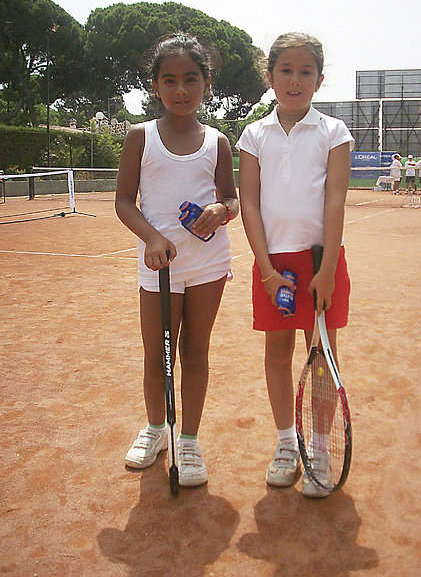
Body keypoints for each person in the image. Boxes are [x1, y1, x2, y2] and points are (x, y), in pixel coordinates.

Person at [115, 33, 239, 487]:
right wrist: (151, 237)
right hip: (158, 266)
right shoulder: (139, 137)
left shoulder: (218, 141)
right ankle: (155, 430)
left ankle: (188, 439)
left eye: (191, 79)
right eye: (170, 80)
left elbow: (231, 198)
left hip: (207, 265)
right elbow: (125, 202)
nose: (181, 90)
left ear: (207, 83)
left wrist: (220, 211)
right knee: (158, 354)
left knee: (195, 351)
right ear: (154, 86)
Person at [237, 32, 354, 497]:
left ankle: (320, 448)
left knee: (321, 356)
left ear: (320, 80)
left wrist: (325, 273)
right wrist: (266, 271)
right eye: (285, 70)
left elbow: (336, 201)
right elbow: (248, 203)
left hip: (322, 262)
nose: (295, 80)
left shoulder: (334, 133)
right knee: (277, 354)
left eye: (306, 71)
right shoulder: (253, 135)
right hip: (273, 265)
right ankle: (288, 444)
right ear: (270, 77)